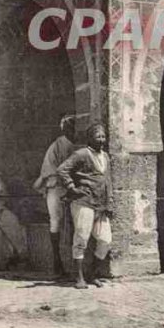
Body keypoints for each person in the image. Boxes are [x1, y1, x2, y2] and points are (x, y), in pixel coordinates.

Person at [57, 122, 113, 289]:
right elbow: (62, 169)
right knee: (81, 238)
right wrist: (72, 188)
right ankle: (79, 278)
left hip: (100, 205)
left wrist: (109, 202)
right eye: (98, 137)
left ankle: (93, 274)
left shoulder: (106, 157)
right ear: (90, 138)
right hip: (83, 202)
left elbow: (107, 180)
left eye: (103, 136)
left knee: (105, 240)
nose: (101, 140)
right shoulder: (81, 154)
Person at [33, 114, 77, 277]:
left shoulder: (78, 145)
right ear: (64, 128)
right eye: (68, 127)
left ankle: (77, 264)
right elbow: (48, 170)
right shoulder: (57, 146)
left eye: (73, 127)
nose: (71, 130)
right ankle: (57, 260)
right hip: (57, 187)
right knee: (56, 221)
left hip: (75, 189)